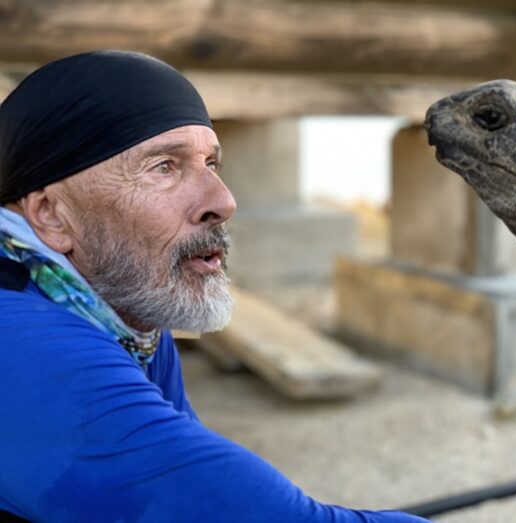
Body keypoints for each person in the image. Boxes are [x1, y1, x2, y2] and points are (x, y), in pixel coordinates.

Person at [0, 50, 429, 522]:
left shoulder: (127, 316)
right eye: (164, 166)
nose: (222, 201)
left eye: (212, 164)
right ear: (50, 215)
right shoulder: (22, 345)